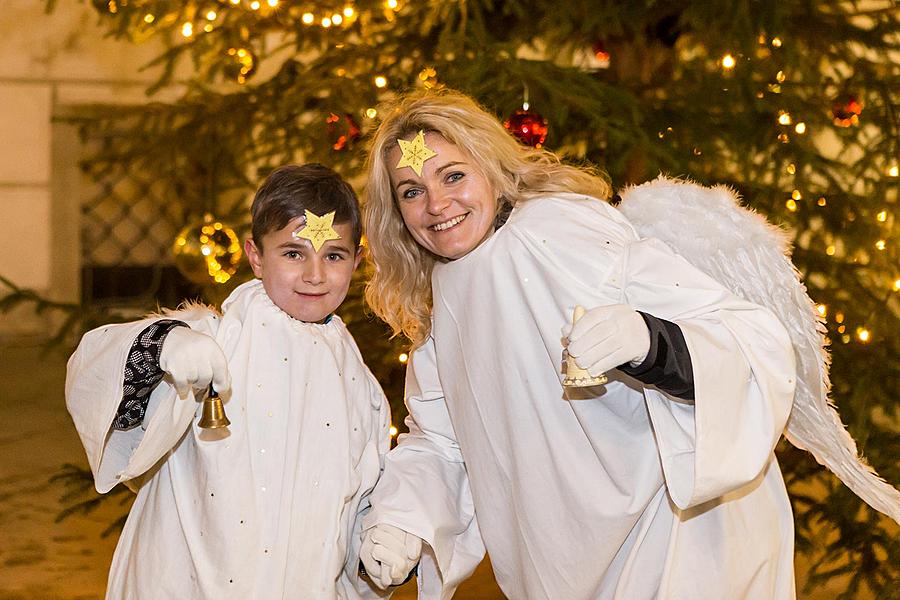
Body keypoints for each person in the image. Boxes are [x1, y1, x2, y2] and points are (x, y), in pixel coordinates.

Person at [357, 92, 800, 599]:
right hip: (564, 564)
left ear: (491, 169)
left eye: (453, 176)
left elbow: (747, 337)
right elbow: (441, 441)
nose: (437, 205)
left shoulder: (563, 230)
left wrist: (652, 342)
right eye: (412, 191)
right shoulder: (442, 310)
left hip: (676, 536)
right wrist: (402, 515)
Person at [66, 164, 392, 599]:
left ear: (358, 258)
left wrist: (383, 533)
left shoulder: (359, 384)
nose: (315, 275)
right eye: (293, 253)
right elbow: (95, 376)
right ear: (256, 256)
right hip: (194, 582)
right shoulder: (214, 342)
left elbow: (357, 495)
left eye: (333, 255)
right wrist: (162, 345)